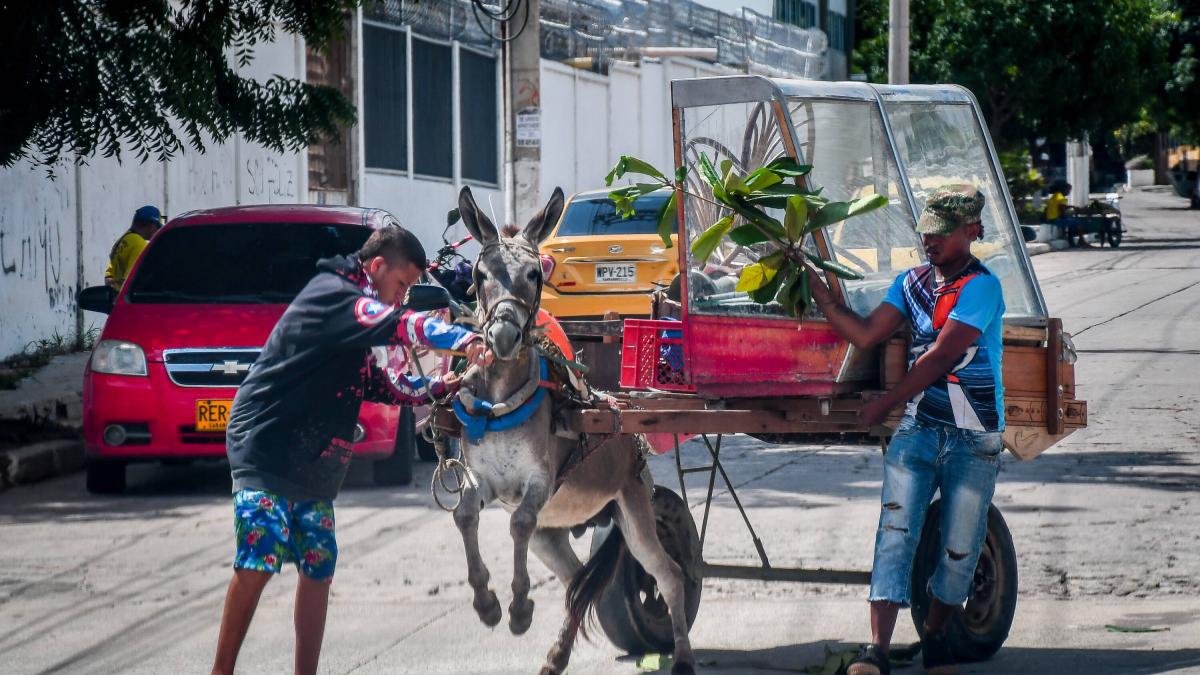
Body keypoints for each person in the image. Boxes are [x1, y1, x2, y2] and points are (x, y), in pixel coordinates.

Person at [210, 224, 492, 675]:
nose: (401, 298)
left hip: (314, 453)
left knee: (319, 564)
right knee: (261, 555)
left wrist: (439, 384)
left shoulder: (354, 309)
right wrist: (463, 340)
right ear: (377, 266)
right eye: (401, 285)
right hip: (267, 443)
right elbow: (400, 324)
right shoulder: (335, 297)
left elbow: (376, 382)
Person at [808, 185, 1006, 675]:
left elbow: (941, 355)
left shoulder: (982, 286)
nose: (930, 240)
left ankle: (936, 635)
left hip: (973, 434)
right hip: (919, 428)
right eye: (925, 231)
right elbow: (868, 333)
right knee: (894, 535)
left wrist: (886, 403)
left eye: (941, 232)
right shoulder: (911, 282)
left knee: (960, 547)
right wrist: (828, 303)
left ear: (972, 233)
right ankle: (877, 651)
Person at [105, 205, 163, 290]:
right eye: (158, 227)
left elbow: (110, 273)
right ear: (151, 224)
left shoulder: (123, 239)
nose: (158, 231)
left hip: (115, 295)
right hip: (126, 298)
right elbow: (130, 281)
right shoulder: (139, 244)